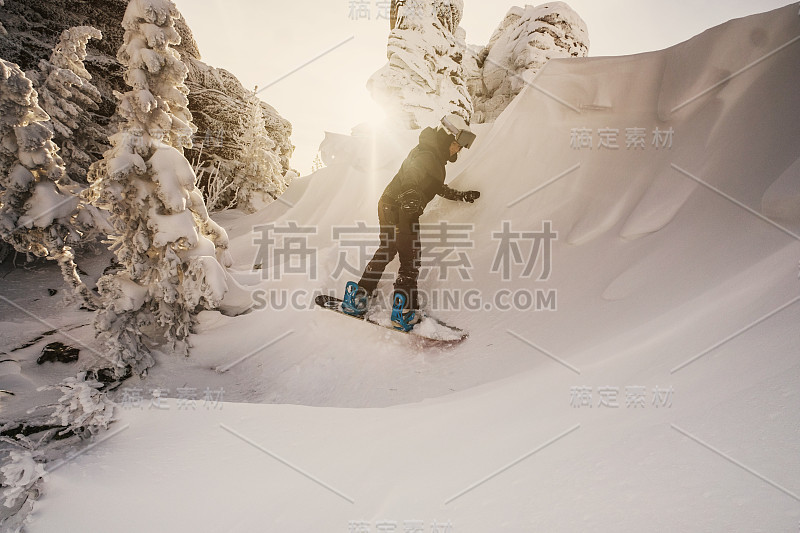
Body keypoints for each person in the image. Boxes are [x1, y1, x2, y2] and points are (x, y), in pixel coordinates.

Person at [341, 114, 481, 331]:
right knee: (410, 258)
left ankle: (359, 296)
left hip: (389, 204)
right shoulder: (427, 154)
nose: (456, 150)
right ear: (445, 137)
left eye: (459, 147)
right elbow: (411, 175)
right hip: (402, 208)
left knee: (387, 249)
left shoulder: (432, 155)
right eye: (454, 144)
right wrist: (411, 196)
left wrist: (460, 195)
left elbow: (435, 186)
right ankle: (404, 311)